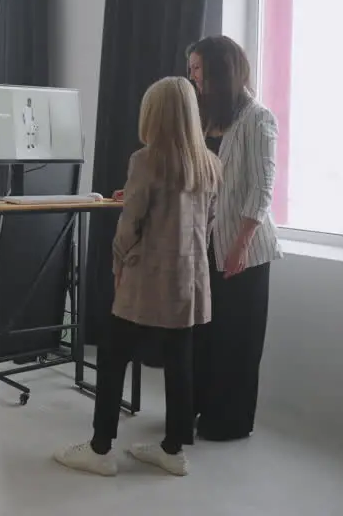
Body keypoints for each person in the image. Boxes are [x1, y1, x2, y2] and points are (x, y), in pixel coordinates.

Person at [55, 77, 219, 477]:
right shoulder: (210, 164)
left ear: (154, 115)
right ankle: (173, 450)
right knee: (180, 362)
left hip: (147, 279)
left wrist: (117, 261)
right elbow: (205, 222)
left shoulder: (146, 161)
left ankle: (99, 450)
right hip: (190, 280)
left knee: (112, 359)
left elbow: (130, 227)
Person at [186, 35, 283, 442]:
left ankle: (231, 421)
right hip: (208, 242)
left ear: (219, 69)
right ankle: (202, 409)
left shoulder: (258, 118)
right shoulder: (209, 116)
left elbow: (261, 190)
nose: (190, 76)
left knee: (238, 340)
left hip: (244, 248)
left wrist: (240, 245)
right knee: (206, 336)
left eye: (196, 68)